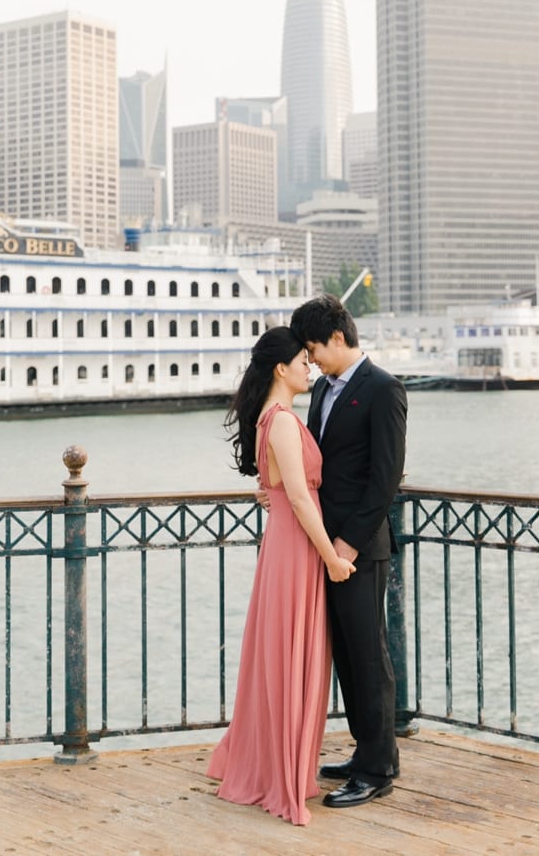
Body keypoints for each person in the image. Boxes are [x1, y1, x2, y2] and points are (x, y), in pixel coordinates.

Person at [206, 326, 357, 825]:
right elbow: (296, 495)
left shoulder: (272, 421)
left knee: (283, 653)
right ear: (280, 368)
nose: (308, 368)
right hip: (296, 548)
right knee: (297, 654)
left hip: (284, 545)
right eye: (302, 361)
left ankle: (274, 762)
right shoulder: (285, 423)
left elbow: (278, 488)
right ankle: (283, 775)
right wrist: (332, 559)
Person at [290, 294, 408, 809]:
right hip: (324, 544)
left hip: (358, 548)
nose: (310, 358)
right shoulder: (320, 390)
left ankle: (377, 769)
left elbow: (385, 480)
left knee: (368, 655)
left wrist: (347, 543)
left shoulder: (384, 389)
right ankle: (367, 751)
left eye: (314, 347)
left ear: (338, 337)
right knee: (343, 653)